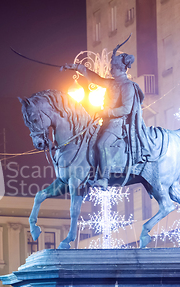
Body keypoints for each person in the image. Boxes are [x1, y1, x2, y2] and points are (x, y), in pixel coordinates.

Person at [63, 36, 165, 189]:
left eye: (112, 68)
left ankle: (104, 178)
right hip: (106, 122)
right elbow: (94, 78)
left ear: (120, 69)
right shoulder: (111, 83)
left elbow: (126, 109)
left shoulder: (127, 86)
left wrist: (106, 111)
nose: (110, 70)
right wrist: (75, 67)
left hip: (119, 124)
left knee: (102, 144)